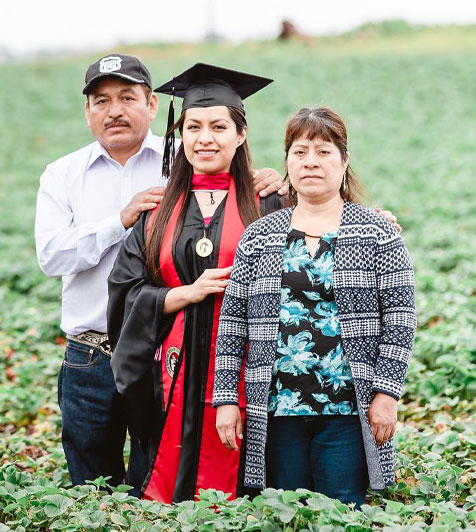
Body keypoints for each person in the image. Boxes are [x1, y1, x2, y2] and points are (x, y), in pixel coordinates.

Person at [36, 55, 283, 491]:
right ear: (87, 110)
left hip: (202, 364)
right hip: (98, 354)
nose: (115, 110)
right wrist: (123, 219)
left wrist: (277, 183)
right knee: (99, 485)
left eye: (127, 97)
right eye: (101, 100)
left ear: (152, 105)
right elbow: (54, 257)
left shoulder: (182, 166)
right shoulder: (64, 176)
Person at [214, 107, 417, 506]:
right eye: (300, 151)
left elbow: (400, 320)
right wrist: (225, 399)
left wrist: (386, 394)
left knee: (341, 512)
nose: (311, 162)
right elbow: (233, 324)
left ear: (344, 160)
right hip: (276, 410)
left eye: (323, 152)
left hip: (346, 409)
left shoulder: (375, 232)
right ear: (287, 161)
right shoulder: (260, 236)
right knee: (285, 515)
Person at [108, 63, 288, 503]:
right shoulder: (156, 212)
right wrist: (179, 295)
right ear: (180, 134)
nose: (205, 138)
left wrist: (376, 222)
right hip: (170, 374)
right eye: (193, 126)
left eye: (218, 126)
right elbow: (124, 293)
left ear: (240, 135)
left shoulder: (271, 205)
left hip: (250, 372)